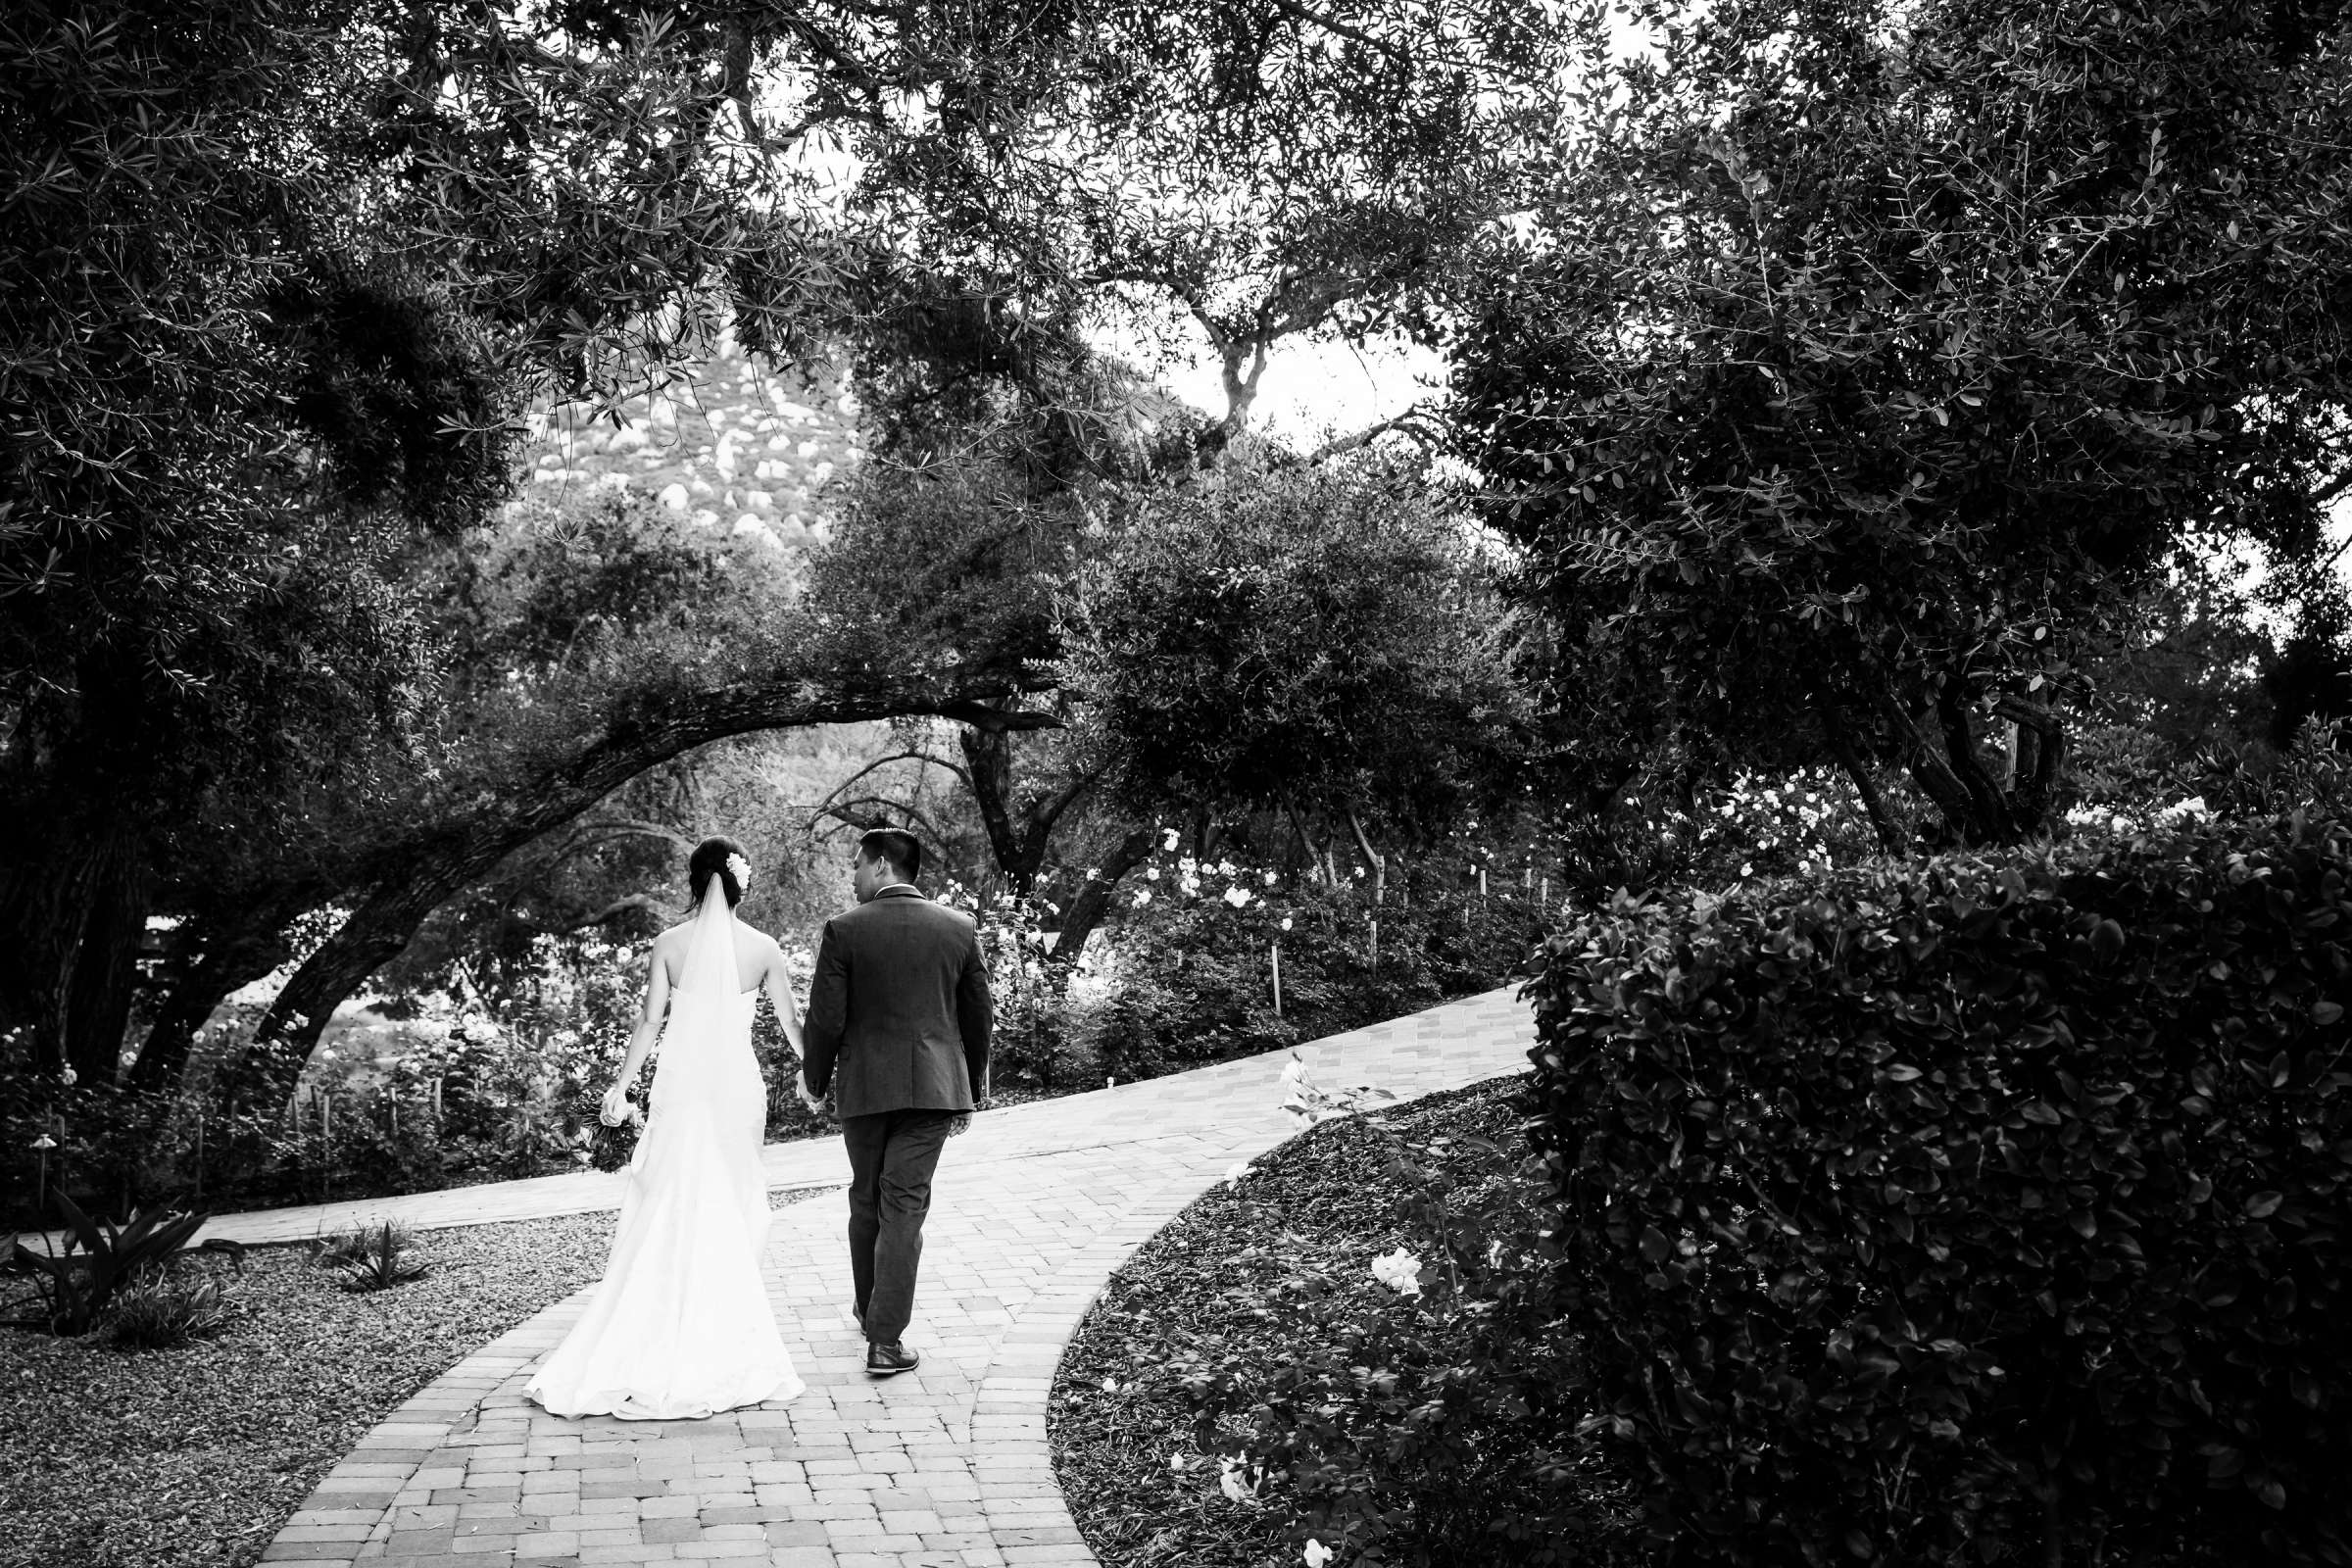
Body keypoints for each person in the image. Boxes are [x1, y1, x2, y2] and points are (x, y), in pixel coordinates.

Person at [524, 836, 805, 1420]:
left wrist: (621, 1085)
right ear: (738, 881)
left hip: (680, 1090)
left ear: (695, 880)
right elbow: (787, 1020)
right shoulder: (763, 948)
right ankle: (721, 1325)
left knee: (672, 1195)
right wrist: (815, 1071)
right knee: (732, 1197)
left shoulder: (669, 945)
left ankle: (649, 1326)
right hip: (734, 1091)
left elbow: (651, 1020)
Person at [799, 826, 993, 1378]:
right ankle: (884, 1338)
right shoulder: (958, 928)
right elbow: (979, 1015)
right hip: (934, 1090)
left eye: (858, 864)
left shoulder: (844, 930)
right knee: (903, 1205)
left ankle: (871, 1314)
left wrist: (814, 1081)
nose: (853, 875)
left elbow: (826, 1018)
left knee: (866, 1198)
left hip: (864, 1089)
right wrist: (971, 1089)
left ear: (882, 865)